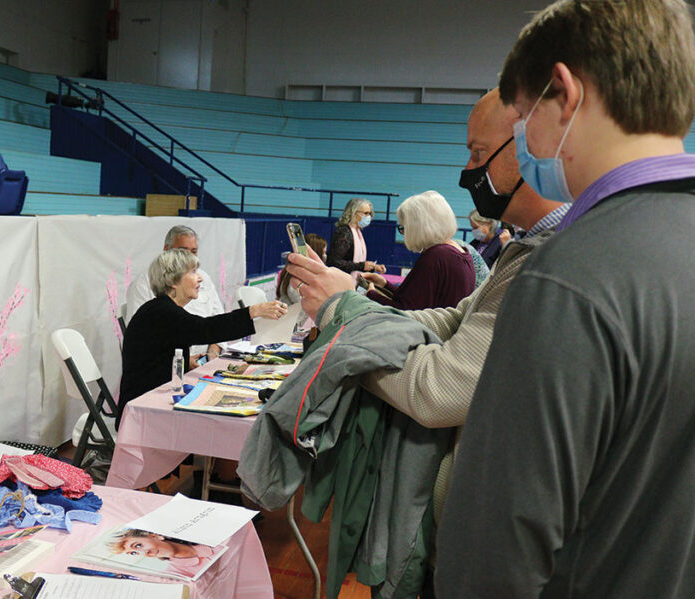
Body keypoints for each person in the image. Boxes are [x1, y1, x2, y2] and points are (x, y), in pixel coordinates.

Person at [436, 2, 695, 597]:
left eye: (524, 116)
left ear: (567, 95)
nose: (523, 137)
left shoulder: (569, 281)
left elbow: (489, 561)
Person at [285, 87, 567, 598]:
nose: (468, 169)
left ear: (532, 147)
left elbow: (437, 390)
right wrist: (351, 300)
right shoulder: (519, 251)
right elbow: (451, 318)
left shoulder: (550, 260)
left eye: (479, 153)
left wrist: (343, 324)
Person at [119, 249, 285, 422]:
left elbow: (156, 354)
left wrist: (185, 361)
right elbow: (205, 328)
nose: (200, 278)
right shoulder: (162, 312)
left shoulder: (161, 309)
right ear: (173, 281)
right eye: (192, 272)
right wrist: (252, 311)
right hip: (142, 407)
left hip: (153, 396)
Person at [124, 225, 227, 362]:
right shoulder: (143, 285)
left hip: (204, 361)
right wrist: (183, 360)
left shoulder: (204, 278)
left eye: (194, 251)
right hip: (169, 366)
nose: (188, 257)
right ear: (167, 250)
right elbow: (142, 339)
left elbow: (217, 320)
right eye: (183, 251)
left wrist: (213, 351)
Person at [358, 191, 474, 310]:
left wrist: (372, 295)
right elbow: (417, 297)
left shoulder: (436, 256)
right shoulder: (459, 251)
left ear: (417, 228)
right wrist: (385, 284)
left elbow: (407, 311)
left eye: (403, 228)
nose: (404, 234)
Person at [109, 529, 216, 576]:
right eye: (134, 553)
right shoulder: (174, 574)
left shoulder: (205, 536)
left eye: (138, 545)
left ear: (155, 536)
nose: (146, 553)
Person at [326, 198, 386, 275]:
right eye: (366, 213)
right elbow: (334, 262)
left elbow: (355, 264)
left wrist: (373, 267)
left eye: (370, 214)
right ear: (354, 213)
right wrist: (361, 266)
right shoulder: (345, 232)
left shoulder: (357, 232)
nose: (368, 217)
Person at [277, 232, 326, 305]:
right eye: (323, 253)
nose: (325, 256)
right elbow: (302, 302)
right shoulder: (297, 275)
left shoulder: (293, 270)